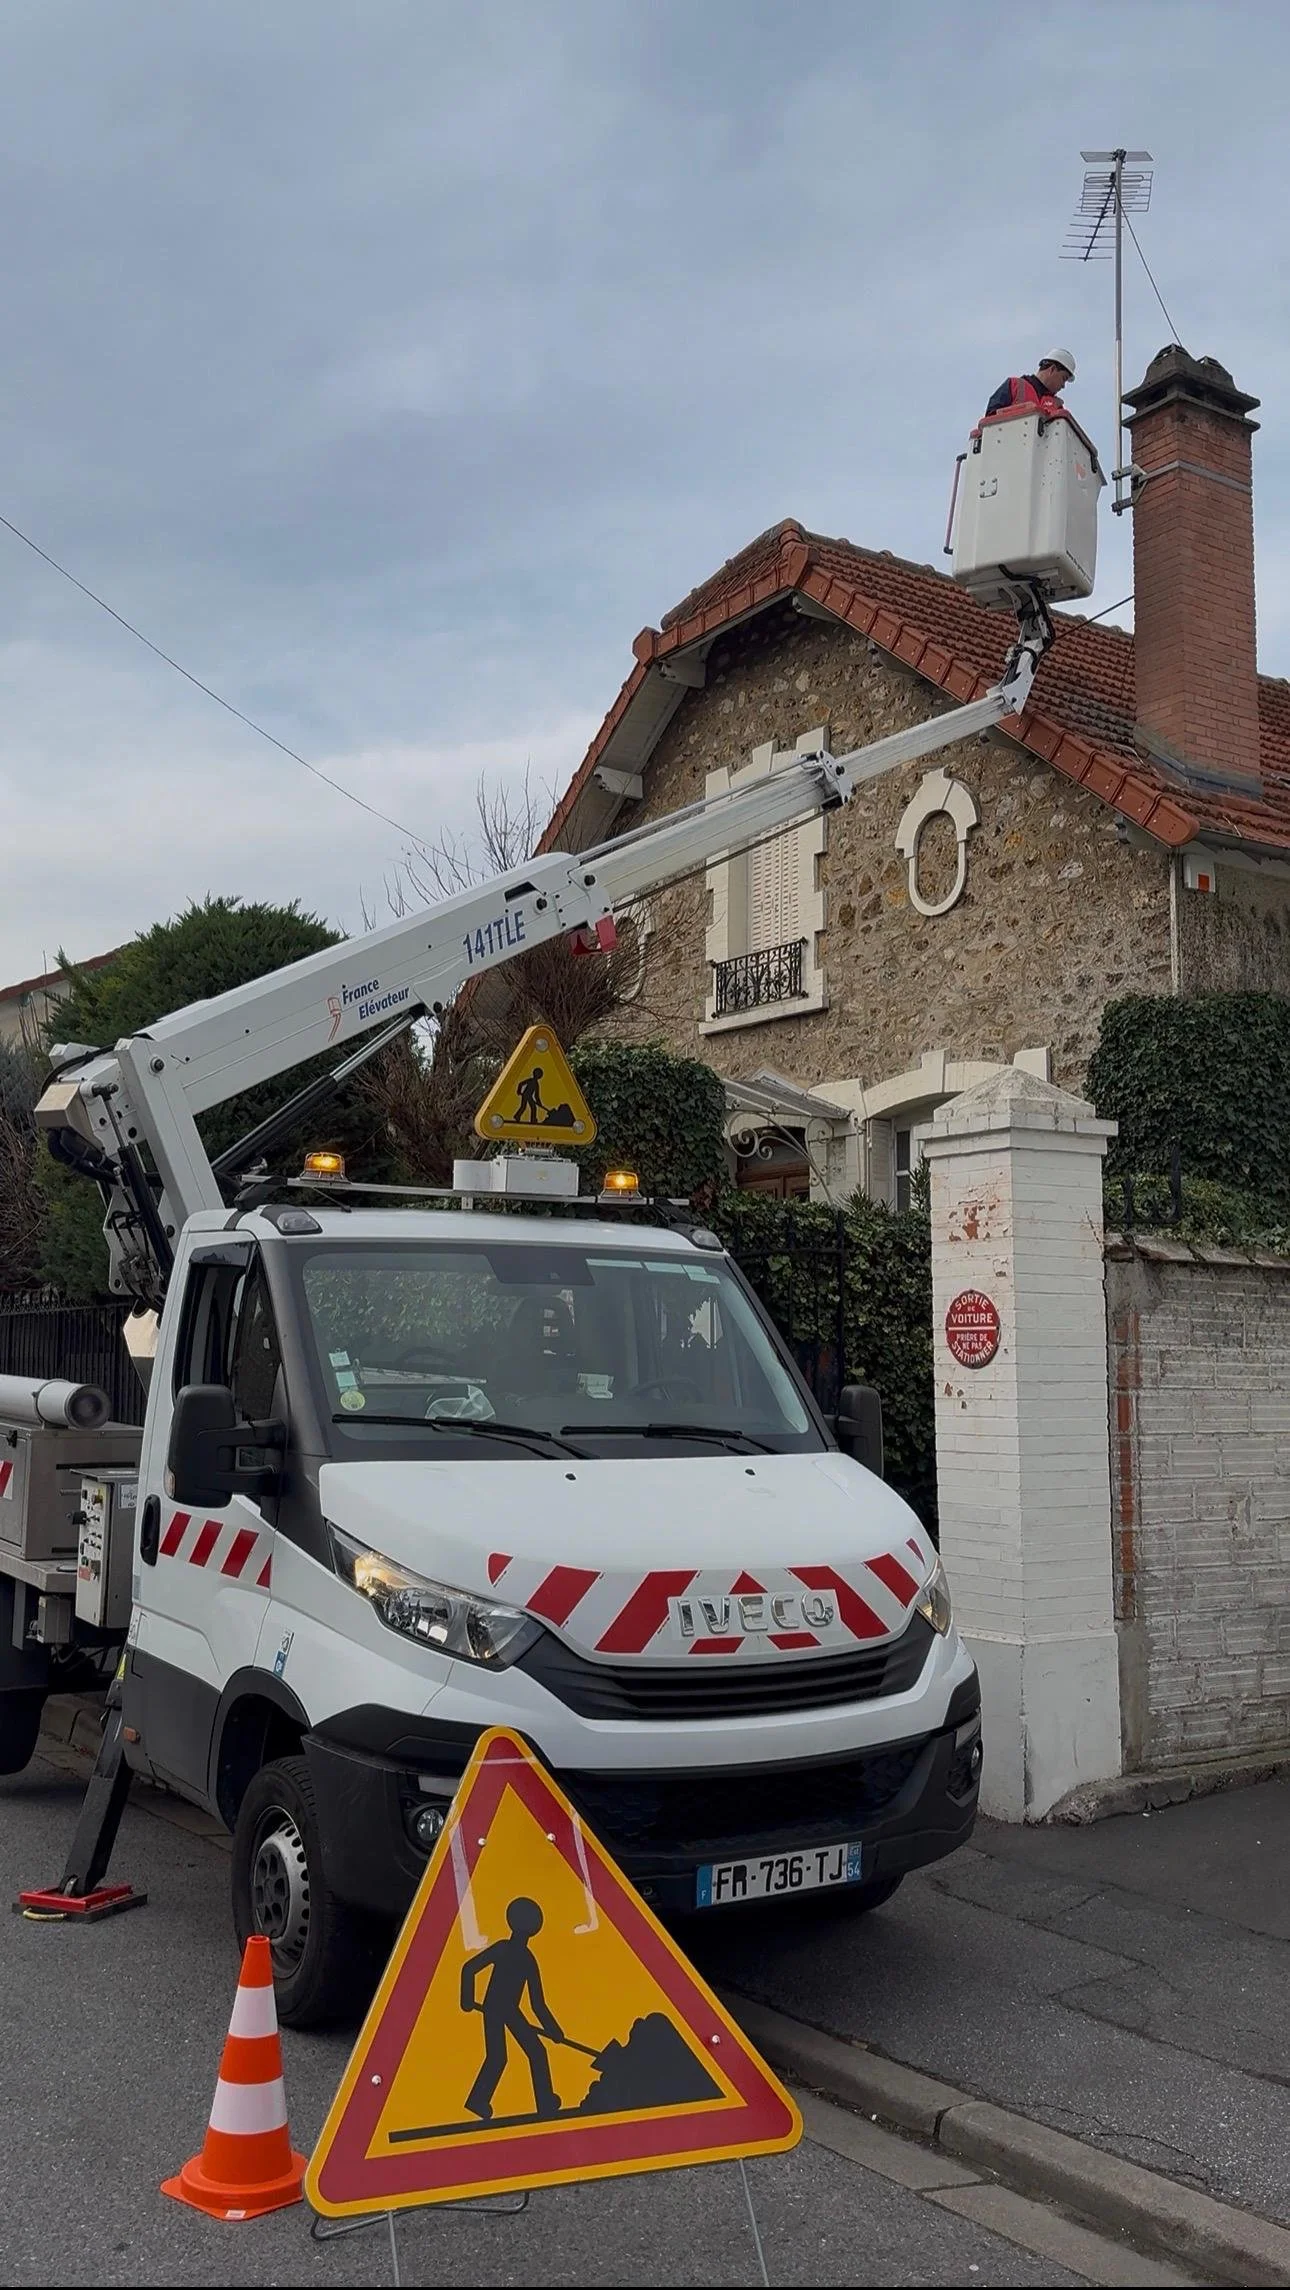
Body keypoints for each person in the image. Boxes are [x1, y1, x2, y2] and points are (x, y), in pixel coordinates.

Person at [460, 1897, 566, 2122]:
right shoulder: (506, 1950)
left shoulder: (526, 1959)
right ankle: (477, 2101)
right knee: (498, 2057)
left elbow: (537, 2003)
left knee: (536, 2052)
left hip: (510, 2011)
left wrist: (554, 2030)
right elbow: (469, 1968)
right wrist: (466, 1999)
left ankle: (545, 2102)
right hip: (493, 2009)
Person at [985, 349, 1076, 417]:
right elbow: (990, 420)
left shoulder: (1057, 406)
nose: (1063, 386)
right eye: (1063, 378)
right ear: (1052, 369)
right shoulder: (1014, 385)